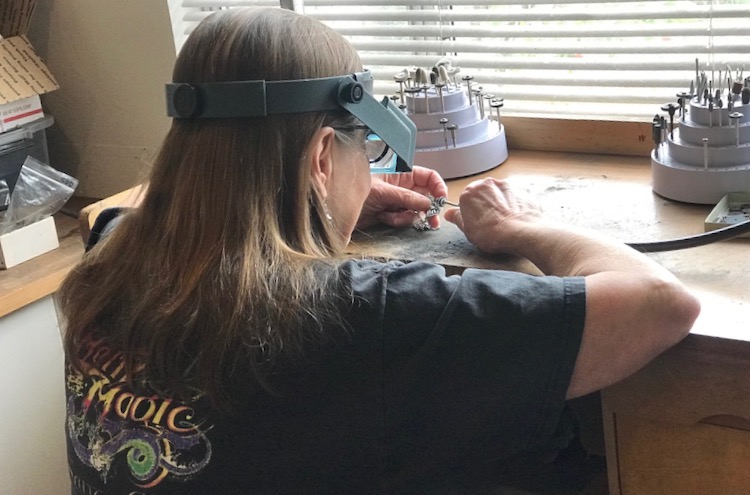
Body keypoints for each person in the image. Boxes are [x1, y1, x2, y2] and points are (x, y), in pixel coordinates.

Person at [58, 7, 700, 495]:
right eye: (363, 148)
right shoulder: (356, 318)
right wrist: (523, 228)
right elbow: (658, 303)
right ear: (320, 157)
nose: (367, 169)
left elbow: (179, 200)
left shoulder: (111, 250)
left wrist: (317, 206)